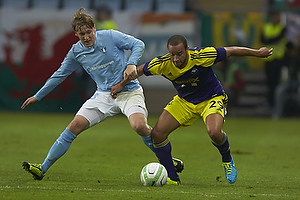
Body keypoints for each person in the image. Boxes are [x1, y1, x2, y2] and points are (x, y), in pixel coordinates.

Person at [21, 8, 183, 181]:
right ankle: (42, 168)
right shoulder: (76, 52)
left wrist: (131, 64)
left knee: (139, 127)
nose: (86, 37)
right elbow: (59, 74)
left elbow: (138, 44)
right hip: (103, 96)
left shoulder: (110, 36)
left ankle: (167, 160)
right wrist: (37, 96)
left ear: (94, 29)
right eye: (81, 34)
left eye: (89, 32)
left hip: (129, 92)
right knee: (74, 125)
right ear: (76, 34)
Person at [111, 35, 273, 184]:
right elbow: (137, 71)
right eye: (172, 54)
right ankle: (173, 178)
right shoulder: (162, 63)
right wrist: (120, 85)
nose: (175, 58)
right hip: (185, 101)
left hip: (212, 97)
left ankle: (227, 159)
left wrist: (257, 53)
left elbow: (231, 51)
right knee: (157, 135)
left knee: (214, 132)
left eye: (179, 54)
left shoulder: (202, 55)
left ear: (187, 50)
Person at [261, 10, 287, 109]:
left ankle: (275, 104)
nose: (278, 18)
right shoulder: (266, 27)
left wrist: (270, 40)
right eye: (277, 16)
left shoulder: (282, 28)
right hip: (268, 59)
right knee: (269, 82)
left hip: (278, 59)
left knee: (276, 83)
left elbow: (272, 39)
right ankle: (270, 102)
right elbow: (264, 40)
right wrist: (273, 40)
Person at [273, 39, 300, 118]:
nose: (293, 52)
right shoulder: (286, 59)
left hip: (297, 82)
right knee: (279, 90)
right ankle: (277, 114)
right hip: (288, 82)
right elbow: (283, 72)